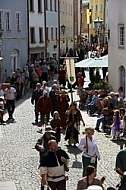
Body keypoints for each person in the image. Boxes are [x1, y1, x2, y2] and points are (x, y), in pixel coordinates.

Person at [35, 126, 56, 190]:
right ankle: (42, 187)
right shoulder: (42, 139)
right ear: (45, 133)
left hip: (51, 159)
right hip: (43, 160)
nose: (49, 134)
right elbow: (36, 145)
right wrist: (40, 147)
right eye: (48, 133)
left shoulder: (53, 138)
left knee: (50, 175)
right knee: (43, 175)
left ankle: (48, 187)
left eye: (50, 133)